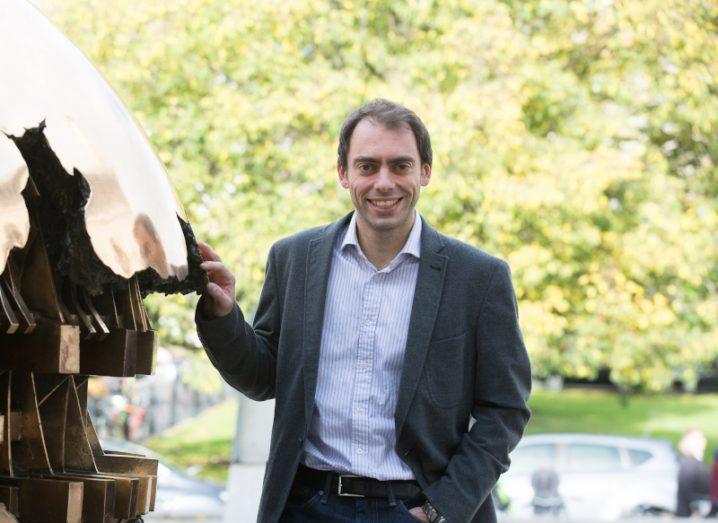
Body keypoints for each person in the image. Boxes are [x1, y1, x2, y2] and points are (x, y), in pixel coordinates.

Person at [195, 99, 531, 523]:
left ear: (425, 171)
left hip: (415, 509)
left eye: (400, 166)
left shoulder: (479, 278)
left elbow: (505, 411)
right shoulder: (293, 259)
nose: (384, 182)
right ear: (344, 173)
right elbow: (263, 377)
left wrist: (440, 510)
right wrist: (223, 316)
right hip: (307, 506)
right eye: (368, 166)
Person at [676, 429, 712, 517]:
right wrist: (695, 509)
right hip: (692, 514)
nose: (704, 441)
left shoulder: (693, 462)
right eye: (701, 439)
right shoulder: (689, 463)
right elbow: (687, 489)